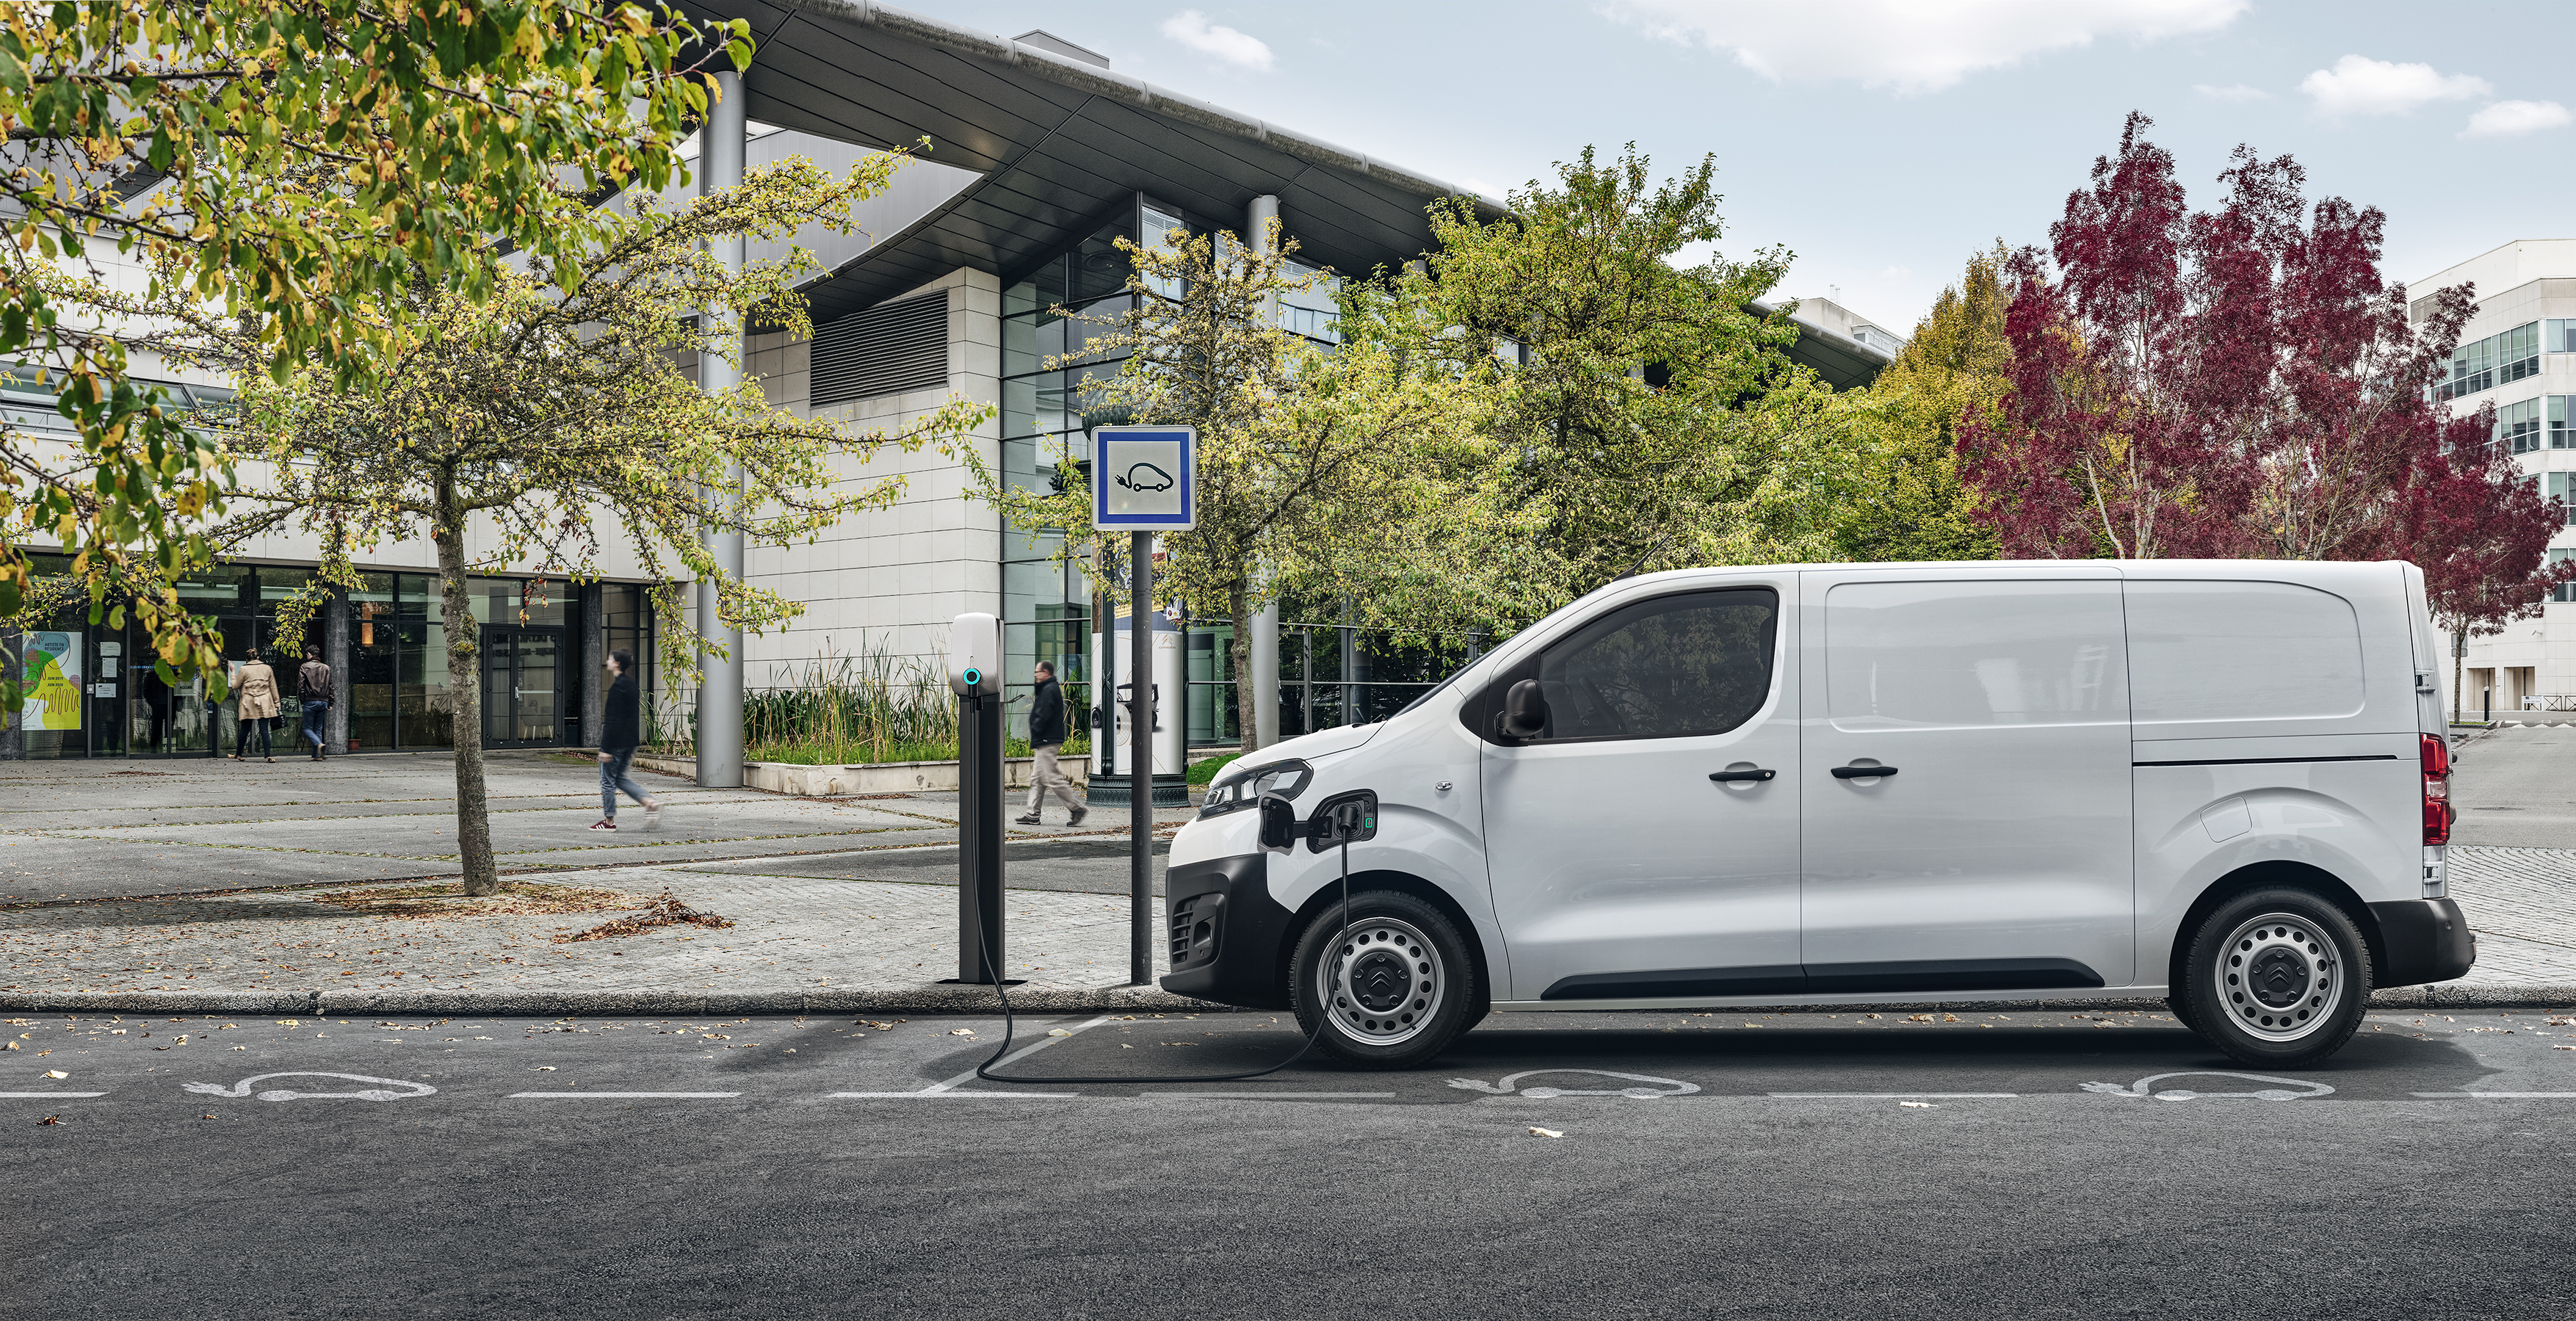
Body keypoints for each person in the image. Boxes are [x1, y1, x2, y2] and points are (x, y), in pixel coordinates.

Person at [593, 648, 662, 831]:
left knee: (607, 781)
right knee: (619, 778)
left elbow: (612, 719)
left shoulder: (617, 688)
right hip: (630, 742)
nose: (607, 661)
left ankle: (609, 823)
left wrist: (605, 748)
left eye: (610, 659)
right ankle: (649, 801)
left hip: (615, 743)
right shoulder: (632, 685)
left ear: (617, 663)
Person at [1016, 659, 1085, 827]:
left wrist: (1035, 728)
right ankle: (1032, 815)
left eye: (1037, 672)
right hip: (1045, 740)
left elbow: (1043, 715)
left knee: (1052, 779)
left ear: (1046, 672)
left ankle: (1077, 808)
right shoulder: (1048, 688)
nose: (1035, 675)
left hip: (1047, 740)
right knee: (1037, 779)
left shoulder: (1049, 689)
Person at [232, 647, 281, 762]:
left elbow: (235, 686)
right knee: (264, 729)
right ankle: (268, 755)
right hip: (265, 702)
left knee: (245, 728)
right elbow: (273, 686)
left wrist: (233, 672)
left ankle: (238, 754)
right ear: (258, 657)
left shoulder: (244, 669)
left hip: (249, 702)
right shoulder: (267, 668)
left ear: (247, 659)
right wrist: (277, 702)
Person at [297, 645, 334, 761]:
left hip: (310, 701)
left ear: (309, 654)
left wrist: (302, 700)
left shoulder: (305, 667)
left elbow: (301, 685)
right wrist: (331, 702)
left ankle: (319, 744)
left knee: (307, 728)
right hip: (323, 701)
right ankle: (317, 756)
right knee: (318, 728)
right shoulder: (327, 668)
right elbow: (331, 686)